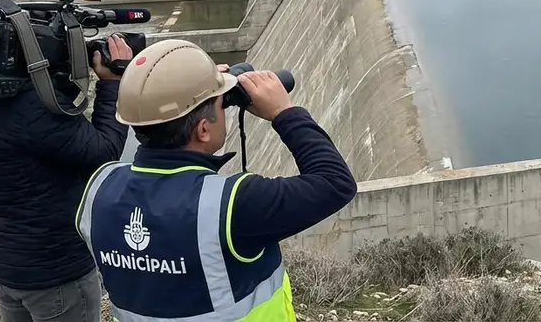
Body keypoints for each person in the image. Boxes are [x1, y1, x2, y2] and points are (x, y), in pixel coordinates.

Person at [75, 39, 357, 321]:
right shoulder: (233, 206)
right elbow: (335, 182)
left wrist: (198, 85)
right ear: (203, 130)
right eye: (221, 107)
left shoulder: (99, 188)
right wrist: (284, 113)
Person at [0, 26, 133, 322]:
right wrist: (113, 83)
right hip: (53, 275)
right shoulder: (30, 109)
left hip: (1, 267)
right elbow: (103, 151)